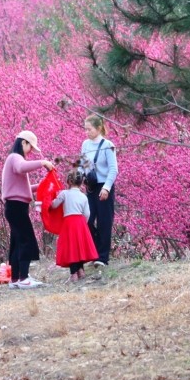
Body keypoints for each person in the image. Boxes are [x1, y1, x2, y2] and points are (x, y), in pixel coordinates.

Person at [2, 130, 54, 289]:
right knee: (25, 240)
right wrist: (42, 162)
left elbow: (23, 188)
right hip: (17, 206)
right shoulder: (15, 158)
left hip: (14, 206)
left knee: (17, 242)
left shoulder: (13, 159)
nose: (31, 151)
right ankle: (24, 277)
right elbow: (21, 167)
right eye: (30, 147)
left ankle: (16, 279)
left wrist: (42, 186)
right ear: (23, 143)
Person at [79, 114, 118, 266]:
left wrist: (107, 188)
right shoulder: (85, 145)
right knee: (87, 220)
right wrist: (79, 178)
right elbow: (83, 164)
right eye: (85, 129)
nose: (86, 132)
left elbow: (113, 169)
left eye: (89, 129)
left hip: (104, 186)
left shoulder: (108, 145)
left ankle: (102, 257)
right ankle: (94, 250)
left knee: (104, 221)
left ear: (98, 128)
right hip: (91, 186)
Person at [50, 170, 98, 281]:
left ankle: (73, 274)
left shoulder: (64, 194)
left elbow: (54, 205)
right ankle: (81, 270)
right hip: (81, 222)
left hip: (69, 222)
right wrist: (83, 223)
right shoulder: (83, 196)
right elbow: (87, 214)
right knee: (80, 246)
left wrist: (49, 201)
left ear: (69, 181)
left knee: (71, 248)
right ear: (81, 182)